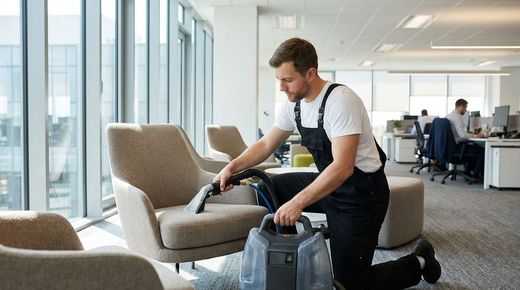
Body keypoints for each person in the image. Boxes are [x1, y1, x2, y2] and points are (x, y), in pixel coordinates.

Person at [214, 38, 441, 289]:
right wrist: (232, 167)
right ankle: (289, 249)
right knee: (267, 187)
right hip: (329, 183)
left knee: (352, 283)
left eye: (287, 80)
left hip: (361, 193)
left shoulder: (341, 101)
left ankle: (420, 260)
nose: (281, 87)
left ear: (310, 74)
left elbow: (343, 167)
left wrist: (297, 203)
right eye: (278, 79)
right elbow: (266, 144)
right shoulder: (295, 105)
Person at [446, 99, 485, 180]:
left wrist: (471, 134)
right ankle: (475, 176)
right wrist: (476, 136)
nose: (466, 110)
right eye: (465, 107)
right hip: (457, 148)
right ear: (460, 106)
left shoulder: (449, 116)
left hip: (450, 148)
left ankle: (468, 174)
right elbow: (462, 135)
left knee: (474, 147)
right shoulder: (457, 117)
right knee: (482, 151)